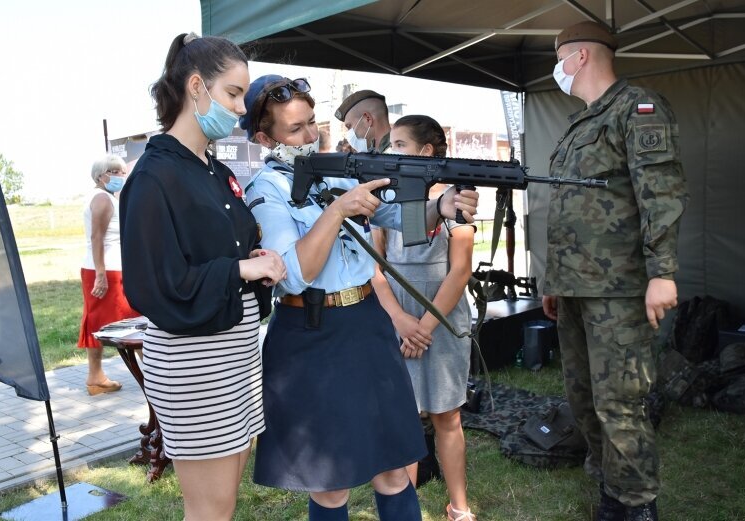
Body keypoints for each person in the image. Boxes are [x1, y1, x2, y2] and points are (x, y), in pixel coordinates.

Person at [241, 74, 479, 521]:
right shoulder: (266, 189)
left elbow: (392, 212)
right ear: (263, 137)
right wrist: (337, 210)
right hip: (312, 334)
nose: (311, 135)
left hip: (367, 323)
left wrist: (440, 206)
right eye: (296, 129)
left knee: (393, 469)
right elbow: (294, 275)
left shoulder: (330, 168)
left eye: (312, 123)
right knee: (332, 485)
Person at [118, 33, 287, 521]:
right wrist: (240, 268)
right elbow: (154, 284)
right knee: (209, 510)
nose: (240, 108)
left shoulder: (212, 168)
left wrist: (255, 261)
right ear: (197, 87)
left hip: (233, 350)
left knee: (225, 503)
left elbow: (219, 251)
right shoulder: (154, 177)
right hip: (194, 360)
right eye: (233, 94)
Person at [541, 21, 689, 521]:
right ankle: (611, 488)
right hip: (575, 287)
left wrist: (662, 273)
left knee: (620, 401)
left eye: (559, 57)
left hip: (618, 288)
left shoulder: (637, 107)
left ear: (579, 56)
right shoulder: (580, 122)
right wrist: (553, 282)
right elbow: (571, 208)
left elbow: (660, 193)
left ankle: (636, 505)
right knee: (582, 396)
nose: (557, 68)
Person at [370, 115, 476, 521]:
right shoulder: (385, 196)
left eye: (398, 144)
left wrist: (424, 328)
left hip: (441, 322)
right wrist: (399, 319)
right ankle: (405, 508)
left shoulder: (457, 196)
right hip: (396, 318)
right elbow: (375, 268)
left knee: (447, 416)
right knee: (404, 418)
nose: (389, 151)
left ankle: (459, 508)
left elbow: (459, 271)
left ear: (425, 152)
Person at [77, 154, 139, 396]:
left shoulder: (101, 196)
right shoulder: (102, 198)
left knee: (96, 321)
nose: (119, 176)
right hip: (107, 270)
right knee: (134, 320)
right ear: (100, 176)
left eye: (122, 172)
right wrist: (101, 274)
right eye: (113, 172)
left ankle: (96, 376)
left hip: (102, 268)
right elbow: (97, 237)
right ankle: (155, 373)